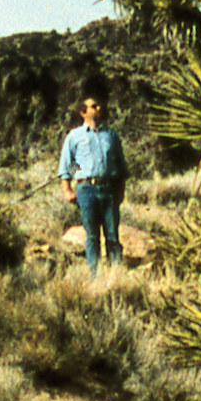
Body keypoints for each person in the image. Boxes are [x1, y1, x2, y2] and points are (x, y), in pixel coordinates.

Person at [59, 92, 127, 272]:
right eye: (94, 106)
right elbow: (69, 165)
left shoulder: (110, 135)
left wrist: (121, 190)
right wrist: (69, 187)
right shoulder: (75, 136)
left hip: (109, 188)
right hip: (86, 190)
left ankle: (116, 274)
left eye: (98, 106)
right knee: (92, 236)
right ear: (83, 112)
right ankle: (94, 276)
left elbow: (120, 165)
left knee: (112, 235)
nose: (99, 108)